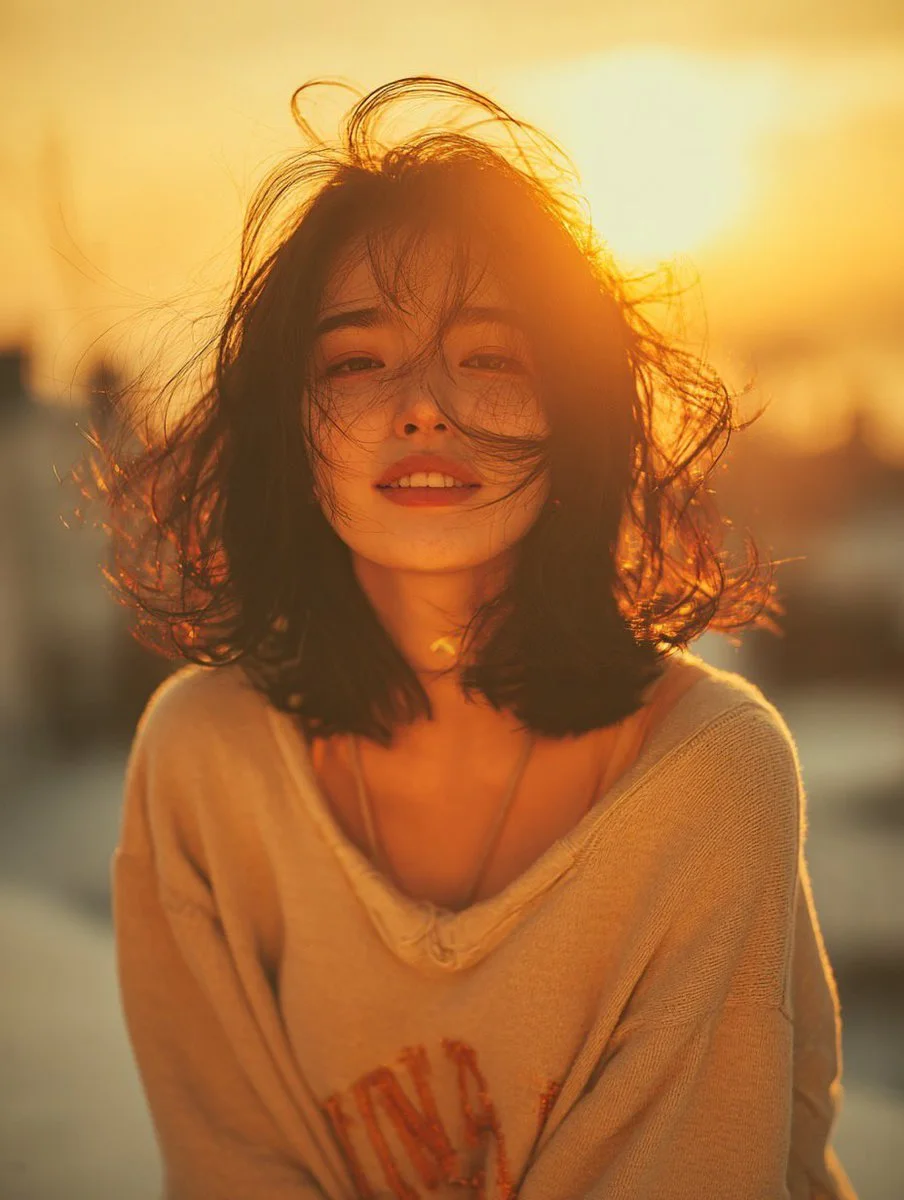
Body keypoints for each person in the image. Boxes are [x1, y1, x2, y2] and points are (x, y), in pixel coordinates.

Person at [91, 76, 858, 1199]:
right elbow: (229, 1166)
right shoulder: (203, 761)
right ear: (291, 430)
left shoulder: (708, 769)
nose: (423, 405)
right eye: (356, 361)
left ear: (573, 410)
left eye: (491, 356)